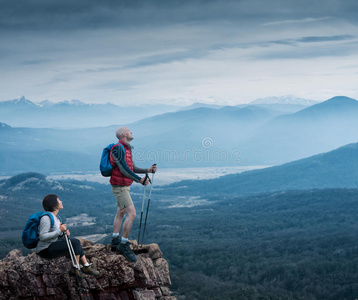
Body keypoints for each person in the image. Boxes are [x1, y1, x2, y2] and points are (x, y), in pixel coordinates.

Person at [110, 127, 157, 262]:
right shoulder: (118, 148)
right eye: (130, 131)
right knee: (132, 214)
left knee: (121, 212)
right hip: (120, 187)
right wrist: (140, 180)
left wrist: (147, 170)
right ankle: (123, 244)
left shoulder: (127, 148)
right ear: (124, 134)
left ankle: (115, 240)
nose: (132, 133)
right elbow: (123, 169)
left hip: (124, 185)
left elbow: (131, 167)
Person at [36, 194, 100, 276]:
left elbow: (55, 234)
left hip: (52, 245)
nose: (61, 201)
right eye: (58, 200)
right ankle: (76, 268)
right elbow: (42, 236)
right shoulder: (46, 218)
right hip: (45, 250)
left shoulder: (57, 218)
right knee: (75, 242)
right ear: (53, 204)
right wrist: (60, 231)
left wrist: (63, 233)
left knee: (74, 243)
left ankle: (86, 266)